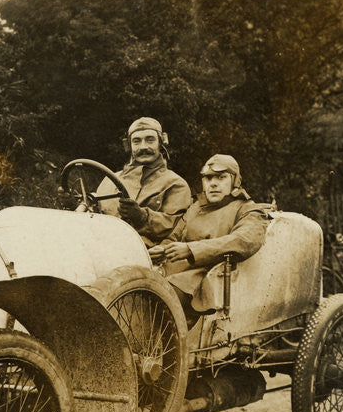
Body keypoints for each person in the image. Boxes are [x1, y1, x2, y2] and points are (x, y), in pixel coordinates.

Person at [148, 154, 268, 323]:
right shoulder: (195, 209)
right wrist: (163, 249)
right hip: (175, 273)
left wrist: (191, 249)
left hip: (210, 281)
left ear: (235, 181)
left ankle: (164, 348)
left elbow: (243, 241)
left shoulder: (249, 210)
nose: (213, 183)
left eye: (221, 177)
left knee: (165, 296)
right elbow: (174, 236)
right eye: (208, 178)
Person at [97, 117, 192, 246]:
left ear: (161, 142)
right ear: (129, 146)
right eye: (136, 141)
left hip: (145, 255)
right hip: (101, 246)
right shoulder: (110, 180)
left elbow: (174, 226)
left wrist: (142, 216)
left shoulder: (176, 184)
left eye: (150, 140)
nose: (143, 147)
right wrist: (70, 204)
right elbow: (93, 216)